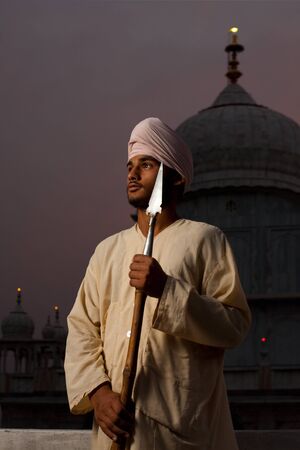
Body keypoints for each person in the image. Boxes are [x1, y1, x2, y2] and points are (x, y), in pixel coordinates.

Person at [64, 117, 251, 450]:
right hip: (117, 431)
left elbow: (233, 325)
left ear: (176, 178)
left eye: (146, 165)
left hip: (181, 433)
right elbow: (82, 329)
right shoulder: (107, 252)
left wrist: (167, 291)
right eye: (130, 166)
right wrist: (100, 393)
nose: (132, 174)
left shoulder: (204, 240)